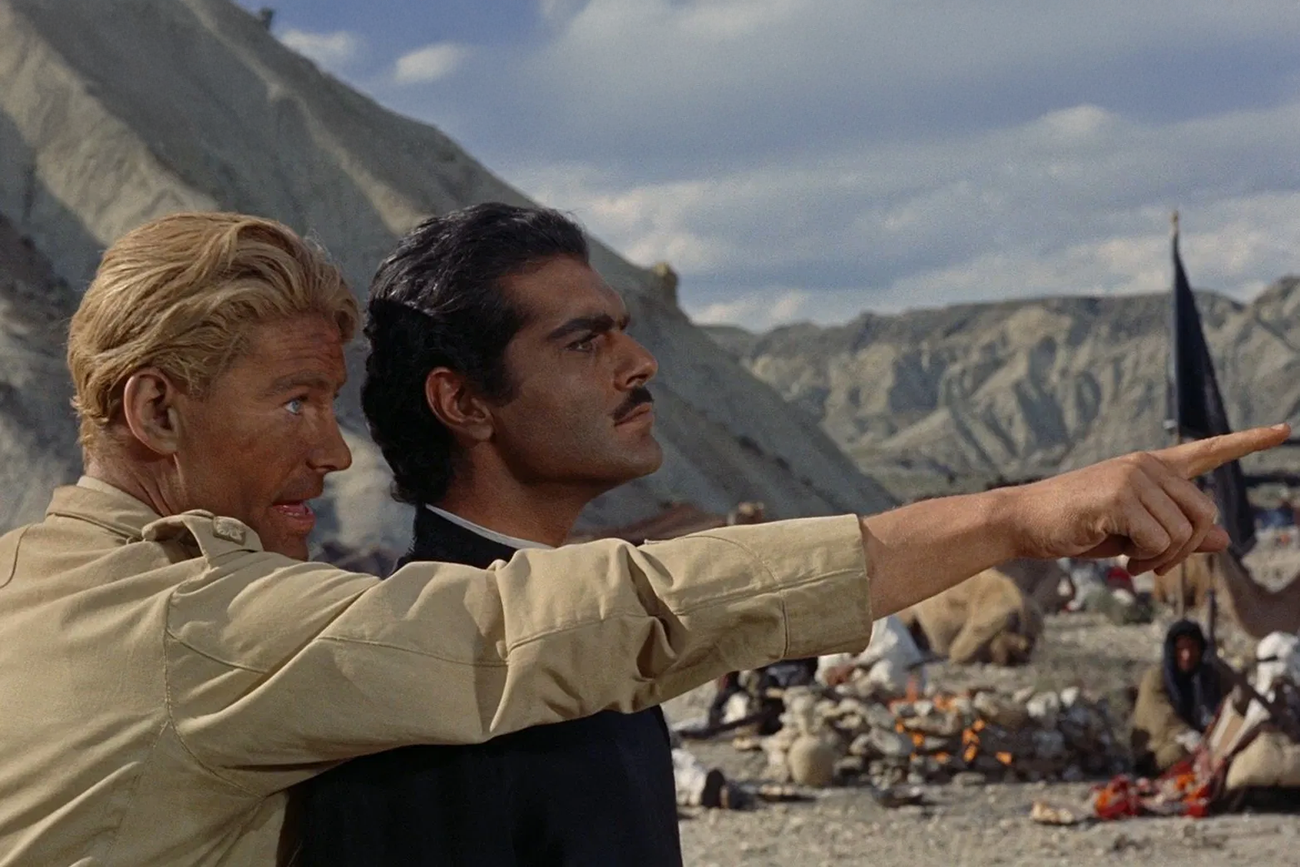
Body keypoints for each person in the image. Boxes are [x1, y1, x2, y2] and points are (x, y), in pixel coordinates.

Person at [0, 211, 1285, 866]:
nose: (334, 455)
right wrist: (1010, 517)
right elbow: (568, 624)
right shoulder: (285, 664)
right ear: (155, 411)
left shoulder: (33, 583)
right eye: (294, 403)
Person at [300, 204, 682, 865]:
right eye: (584, 342)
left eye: (623, 332)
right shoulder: (419, 695)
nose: (640, 363)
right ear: (464, 403)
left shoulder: (585, 633)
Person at [1131, 620, 1228, 776]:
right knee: (1179, 753)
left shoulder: (1207, 677)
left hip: (1203, 744)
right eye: (1181, 649)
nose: (1187, 656)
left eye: (1192, 648)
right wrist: (1192, 739)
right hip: (1160, 747)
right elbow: (1161, 717)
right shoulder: (1156, 678)